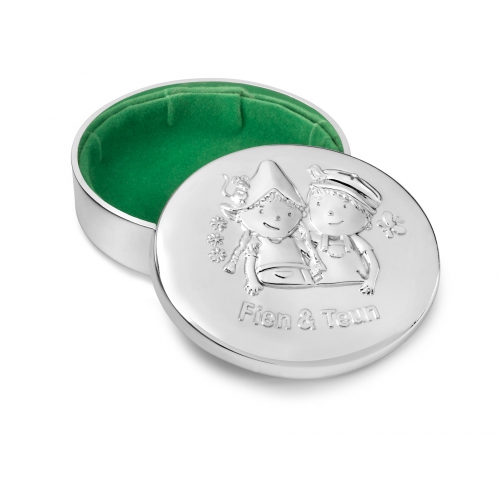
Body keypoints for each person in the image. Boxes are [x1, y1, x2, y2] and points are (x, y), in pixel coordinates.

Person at [221, 160, 325, 296]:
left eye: (288, 213)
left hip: (300, 276)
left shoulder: (295, 240)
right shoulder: (256, 241)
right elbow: (250, 262)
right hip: (267, 277)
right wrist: (252, 281)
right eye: (262, 211)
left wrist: (314, 265)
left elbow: (309, 251)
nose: (277, 218)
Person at [306, 164, 382, 295]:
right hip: (322, 287)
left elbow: (373, 263)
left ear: (365, 217)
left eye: (344, 207)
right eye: (319, 204)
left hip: (352, 284)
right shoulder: (313, 237)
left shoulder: (356, 241)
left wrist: (371, 281)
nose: (330, 213)